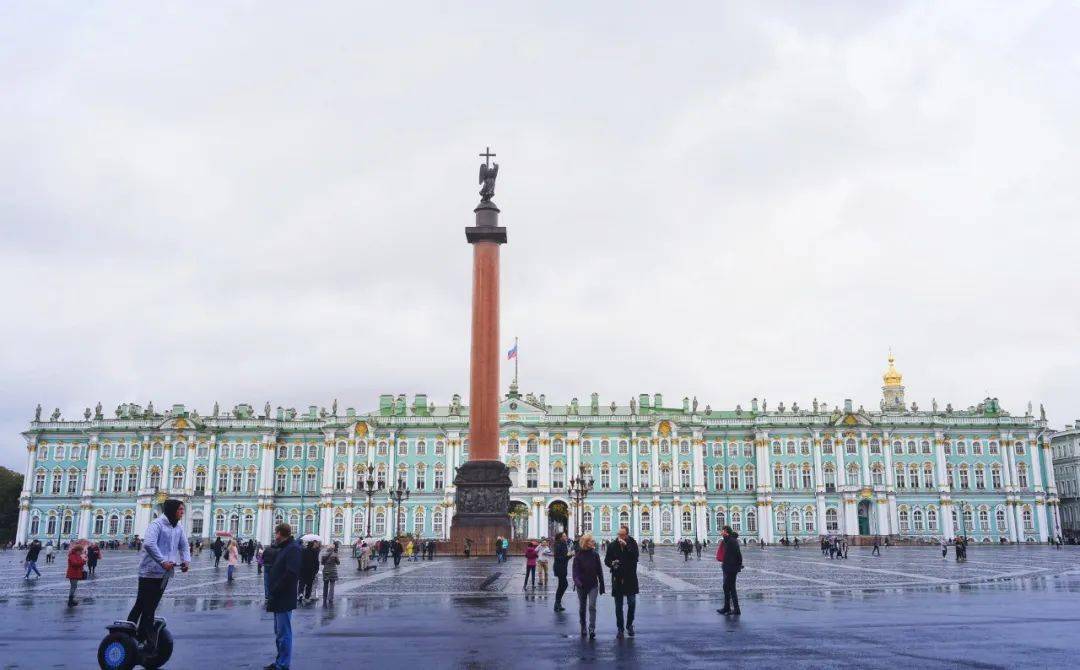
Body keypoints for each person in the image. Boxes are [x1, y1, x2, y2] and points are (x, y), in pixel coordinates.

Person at [128, 499, 191, 656]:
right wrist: (162, 561)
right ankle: (136, 637)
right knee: (144, 606)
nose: (182, 512)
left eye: (183, 509)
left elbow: (184, 545)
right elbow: (149, 544)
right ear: (171, 510)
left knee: (149, 605)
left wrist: (186, 560)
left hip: (164, 573)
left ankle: (137, 635)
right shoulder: (157, 524)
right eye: (180, 509)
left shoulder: (178, 527)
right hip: (149, 572)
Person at [265, 522, 300, 670]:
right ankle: (280, 661)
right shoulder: (284, 548)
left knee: (284, 633)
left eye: (276, 533)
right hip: (278, 597)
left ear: (280, 533)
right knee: (279, 633)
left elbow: (291, 573)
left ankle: (283, 664)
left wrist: (277, 588)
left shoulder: (292, 549)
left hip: (284, 597)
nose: (275, 536)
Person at [604, 525, 639, 638]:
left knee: (632, 603)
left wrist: (627, 546)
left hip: (630, 577)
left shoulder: (632, 543)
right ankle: (620, 628)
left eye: (622, 535)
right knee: (618, 606)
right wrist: (612, 563)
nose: (620, 537)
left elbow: (635, 557)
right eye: (619, 535)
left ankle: (629, 625)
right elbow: (606, 560)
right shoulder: (613, 545)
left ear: (627, 535)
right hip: (617, 577)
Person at [572, 534, 604, 639]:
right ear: (586, 543)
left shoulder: (595, 555)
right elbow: (575, 573)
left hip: (593, 585)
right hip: (581, 585)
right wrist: (578, 582)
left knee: (592, 606)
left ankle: (592, 628)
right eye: (591, 541)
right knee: (582, 607)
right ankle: (583, 626)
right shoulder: (578, 556)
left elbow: (599, 570)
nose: (594, 542)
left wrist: (602, 584)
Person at [716, 525, 743, 616]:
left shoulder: (732, 541)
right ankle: (728, 608)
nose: (721, 532)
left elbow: (738, 555)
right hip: (728, 567)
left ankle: (735, 609)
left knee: (730, 588)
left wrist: (738, 566)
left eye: (722, 530)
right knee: (727, 588)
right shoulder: (727, 540)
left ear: (726, 531)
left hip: (731, 568)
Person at [553, 532, 570, 612]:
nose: (566, 537)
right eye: (564, 536)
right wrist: (569, 556)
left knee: (562, 585)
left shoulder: (563, 544)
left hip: (563, 567)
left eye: (565, 535)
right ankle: (557, 603)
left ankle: (557, 604)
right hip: (559, 567)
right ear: (560, 537)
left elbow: (564, 557)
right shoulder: (558, 545)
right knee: (563, 584)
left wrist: (569, 556)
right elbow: (558, 558)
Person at [321, 542, 340, 606]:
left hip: (326, 571)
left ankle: (324, 597)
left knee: (325, 585)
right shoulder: (335, 554)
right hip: (333, 571)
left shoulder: (324, 554)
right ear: (333, 548)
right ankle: (330, 598)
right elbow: (338, 563)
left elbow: (322, 563)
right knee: (332, 586)